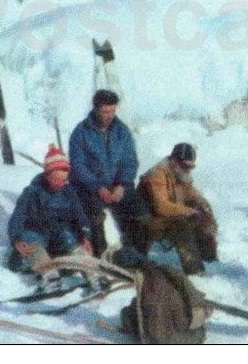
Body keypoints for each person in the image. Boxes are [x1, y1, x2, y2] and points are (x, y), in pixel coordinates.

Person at [68, 89, 147, 258]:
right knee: (95, 215)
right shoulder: (81, 132)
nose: (109, 115)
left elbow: (130, 161)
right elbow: (78, 166)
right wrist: (98, 187)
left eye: (112, 111)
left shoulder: (122, 131)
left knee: (140, 212)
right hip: (89, 187)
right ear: (95, 109)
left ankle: (136, 255)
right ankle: (100, 256)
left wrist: (122, 184)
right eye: (105, 111)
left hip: (117, 184)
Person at [7, 145, 93, 290]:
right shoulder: (32, 193)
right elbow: (17, 218)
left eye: (64, 180)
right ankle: (50, 275)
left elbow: (80, 216)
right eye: (56, 180)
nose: (61, 184)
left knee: (72, 241)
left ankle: (92, 274)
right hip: (37, 234)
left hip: (59, 236)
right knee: (31, 242)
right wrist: (16, 239)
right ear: (47, 175)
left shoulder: (68, 192)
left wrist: (85, 235)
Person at [138, 142, 218, 275]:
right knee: (182, 226)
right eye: (185, 166)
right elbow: (161, 206)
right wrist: (189, 212)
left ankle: (210, 262)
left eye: (190, 167)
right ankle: (195, 272)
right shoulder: (157, 174)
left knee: (204, 218)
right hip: (147, 222)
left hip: (164, 218)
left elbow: (189, 192)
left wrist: (203, 205)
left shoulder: (178, 172)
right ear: (175, 160)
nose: (188, 170)